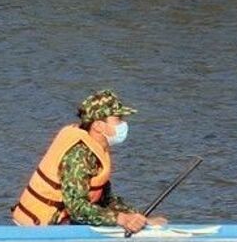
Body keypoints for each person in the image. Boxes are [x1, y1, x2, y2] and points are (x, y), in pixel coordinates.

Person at [11, 89, 165, 233]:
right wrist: (121, 219)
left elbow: (105, 200)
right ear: (98, 125)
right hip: (40, 229)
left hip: (62, 223)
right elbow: (77, 208)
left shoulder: (96, 151)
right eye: (118, 119)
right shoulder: (78, 156)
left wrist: (138, 217)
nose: (123, 125)